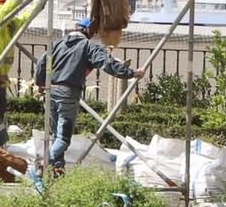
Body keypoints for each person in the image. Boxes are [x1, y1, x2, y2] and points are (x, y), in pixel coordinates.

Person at [34, 17, 147, 175]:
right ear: (88, 31)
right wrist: (131, 73)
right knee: (63, 138)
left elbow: (41, 63)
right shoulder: (87, 46)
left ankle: (56, 171)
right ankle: (44, 162)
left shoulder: (57, 43)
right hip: (68, 94)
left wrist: (40, 83)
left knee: (55, 136)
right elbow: (106, 63)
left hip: (50, 91)